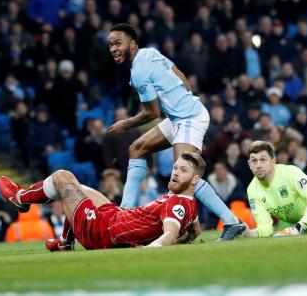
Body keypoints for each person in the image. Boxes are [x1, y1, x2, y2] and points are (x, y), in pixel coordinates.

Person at [103, 24, 245, 240]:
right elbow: (179, 75)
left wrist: (125, 124)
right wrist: (182, 100)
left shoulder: (140, 71)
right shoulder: (149, 52)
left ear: (132, 45)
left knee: (184, 177)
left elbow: (152, 112)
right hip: (180, 116)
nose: (113, 48)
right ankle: (125, 211)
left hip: (189, 118)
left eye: (118, 43)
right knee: (137, 149)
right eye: (111, 44)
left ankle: (232, 221)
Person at [0, 152, 203, 251]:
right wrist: (182, 241)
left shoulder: (175, 204)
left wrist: (150, 248)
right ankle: (65, 243)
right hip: (113, 218)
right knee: (81, 190)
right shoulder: (189, 205)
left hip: (101, 231)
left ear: (195, 179)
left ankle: (20, 198)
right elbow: (195, 231)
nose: (175, 173)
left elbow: (169, 232)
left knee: (62, 177)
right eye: (176, 167)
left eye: (183, 171)